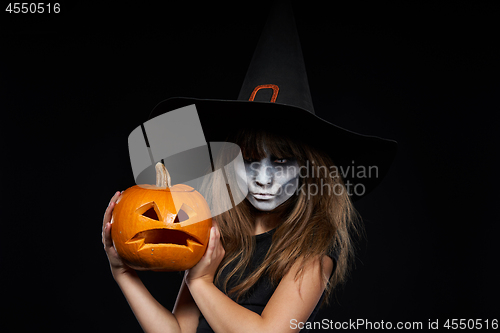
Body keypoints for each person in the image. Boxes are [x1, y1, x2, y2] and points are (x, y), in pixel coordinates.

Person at [102, 128, 361, 333]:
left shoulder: (315, 245)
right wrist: (123, 273)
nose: (263, 178)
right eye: (249, 160)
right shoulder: (214, 230)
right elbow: (179, 331)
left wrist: (200, 282)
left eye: (281, 160)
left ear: (307, 167)